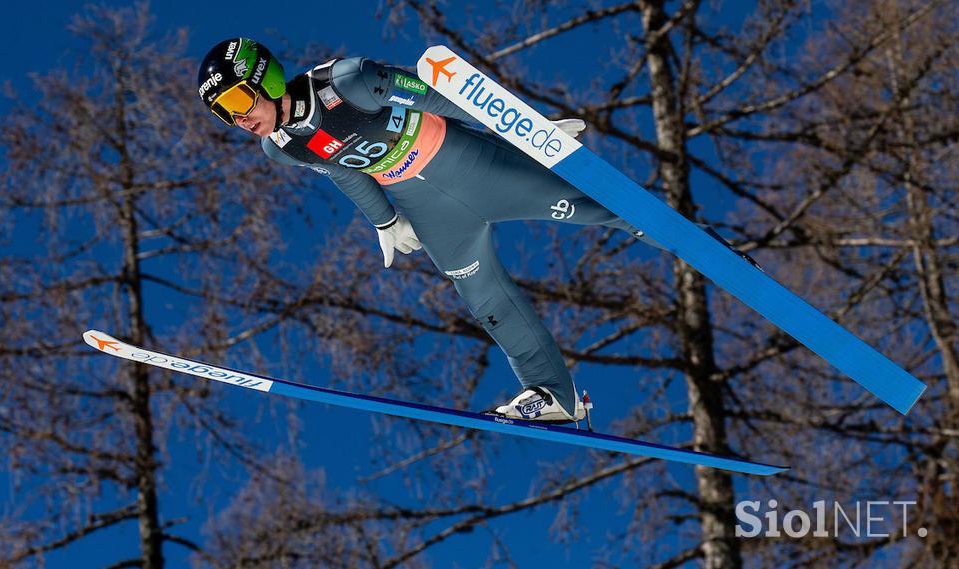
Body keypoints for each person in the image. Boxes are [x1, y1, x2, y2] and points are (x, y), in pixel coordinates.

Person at [197, 37, 664, 424]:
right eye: (223, 113)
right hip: (431, 209)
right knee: (485, 300)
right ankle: (552, 396)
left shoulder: (346, 80)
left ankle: (715, 249)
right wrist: (385, 220)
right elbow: (341, 169)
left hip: (474, 165)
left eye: (237, 100)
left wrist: (524, 130)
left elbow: (440, 95)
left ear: (267, 80)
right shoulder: (281, 147)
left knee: (600, 209)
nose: (238, 119)